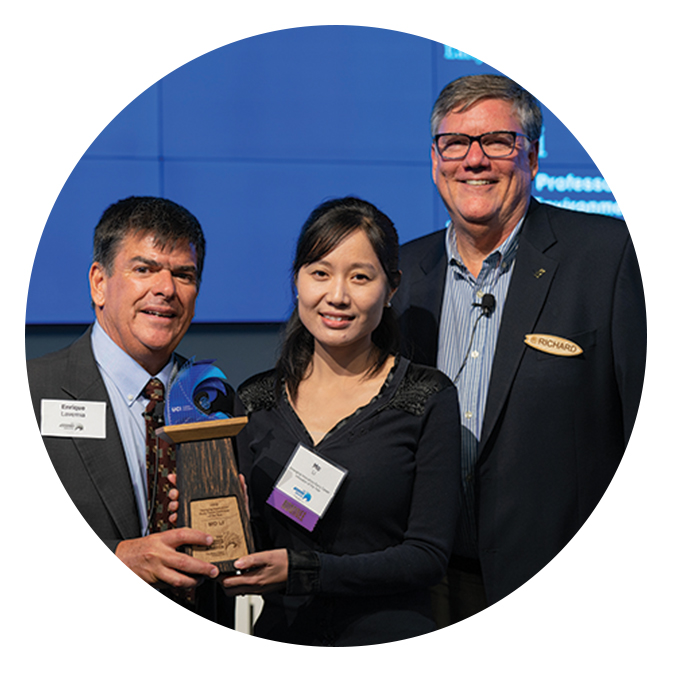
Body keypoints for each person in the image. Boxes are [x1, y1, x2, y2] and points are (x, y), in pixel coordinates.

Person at [392, 74, 647, 625]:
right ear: (436, 160)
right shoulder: (402, 273)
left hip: (562, 582)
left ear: (532, 156)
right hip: (424, 584)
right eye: (455, 143)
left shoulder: (609, 256)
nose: (474, 160)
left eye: (498, 142)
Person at [223, 196, 461, 646]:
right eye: (320, 273)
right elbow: (249, 540)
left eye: (360, 277)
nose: (337, 295)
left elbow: (427, 556)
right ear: (297, 281)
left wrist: (307, 571)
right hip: (281, 637)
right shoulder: (255, 400)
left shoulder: (426, 396)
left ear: (391, 288)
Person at [28, 196, 233, 625]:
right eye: (144, 269)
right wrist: (115, 560)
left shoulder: (214, 397)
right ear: (99, 283)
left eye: (184, 274)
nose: (166, 288)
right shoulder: (31, 393)